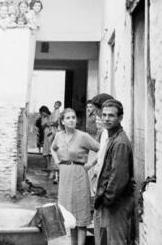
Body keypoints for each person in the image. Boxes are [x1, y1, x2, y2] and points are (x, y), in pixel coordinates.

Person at [51, 108, 99, 245]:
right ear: (62, 121)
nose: (71, 120)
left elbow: (101, 148)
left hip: (79, 174)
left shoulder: (83, 136)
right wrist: (56, 161)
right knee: (70, 216)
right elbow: (53, 149)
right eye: (68, 118)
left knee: (80, 214)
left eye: (73, 117)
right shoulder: (59, 136)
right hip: (65, 175)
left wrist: (90, 164)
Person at [94, 99, 135, 245]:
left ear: (120, 118)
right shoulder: (112, 138)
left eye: (111, 115)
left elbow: (118, 177)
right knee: (106, 240)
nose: (106, 118)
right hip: (111, 202)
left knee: (115, 241)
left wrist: (106, 199)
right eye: (104, 115)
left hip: (117, 203)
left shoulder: (120, 143)